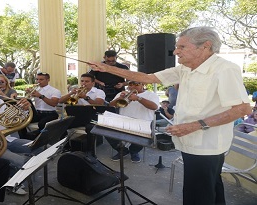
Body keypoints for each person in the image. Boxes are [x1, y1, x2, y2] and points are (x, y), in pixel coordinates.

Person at [89, 27, 251, 205]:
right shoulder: (184, 69)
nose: (175, 51)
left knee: (198, 195)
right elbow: (147, 77)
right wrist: (107, 69)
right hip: (189, 142)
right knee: (210, 188)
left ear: (205, 46)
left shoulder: (225, 69)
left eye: (182, 47)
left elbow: (242, 109)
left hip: (206, 145)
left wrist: (194, 125)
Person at [107, 81, 159, 162]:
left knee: (141, 139)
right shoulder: (123, 93)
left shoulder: (151, 95)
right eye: (130, 84)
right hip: (123, 122)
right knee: (106, 131)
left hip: (143, 123)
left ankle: (134, 151)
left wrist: (138, 98)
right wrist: (119, 98)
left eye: (137, 84)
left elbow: (154, 107)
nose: (133, 86)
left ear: (143, 84)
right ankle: (122, 150)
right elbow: (111, 105)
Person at [18, 72, 61, 140]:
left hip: (50, 113)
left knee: (42, 123)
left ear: (48, 80)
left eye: (41, 79)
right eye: (37, 79)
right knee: (20, 121)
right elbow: (29, 101)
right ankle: (24, 138)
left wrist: (41, 96)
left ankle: (41, 140)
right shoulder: (36, 90)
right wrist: (28, 94)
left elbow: (54, 103)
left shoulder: (55, 91)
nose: (38, 81)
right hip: (37, 112)